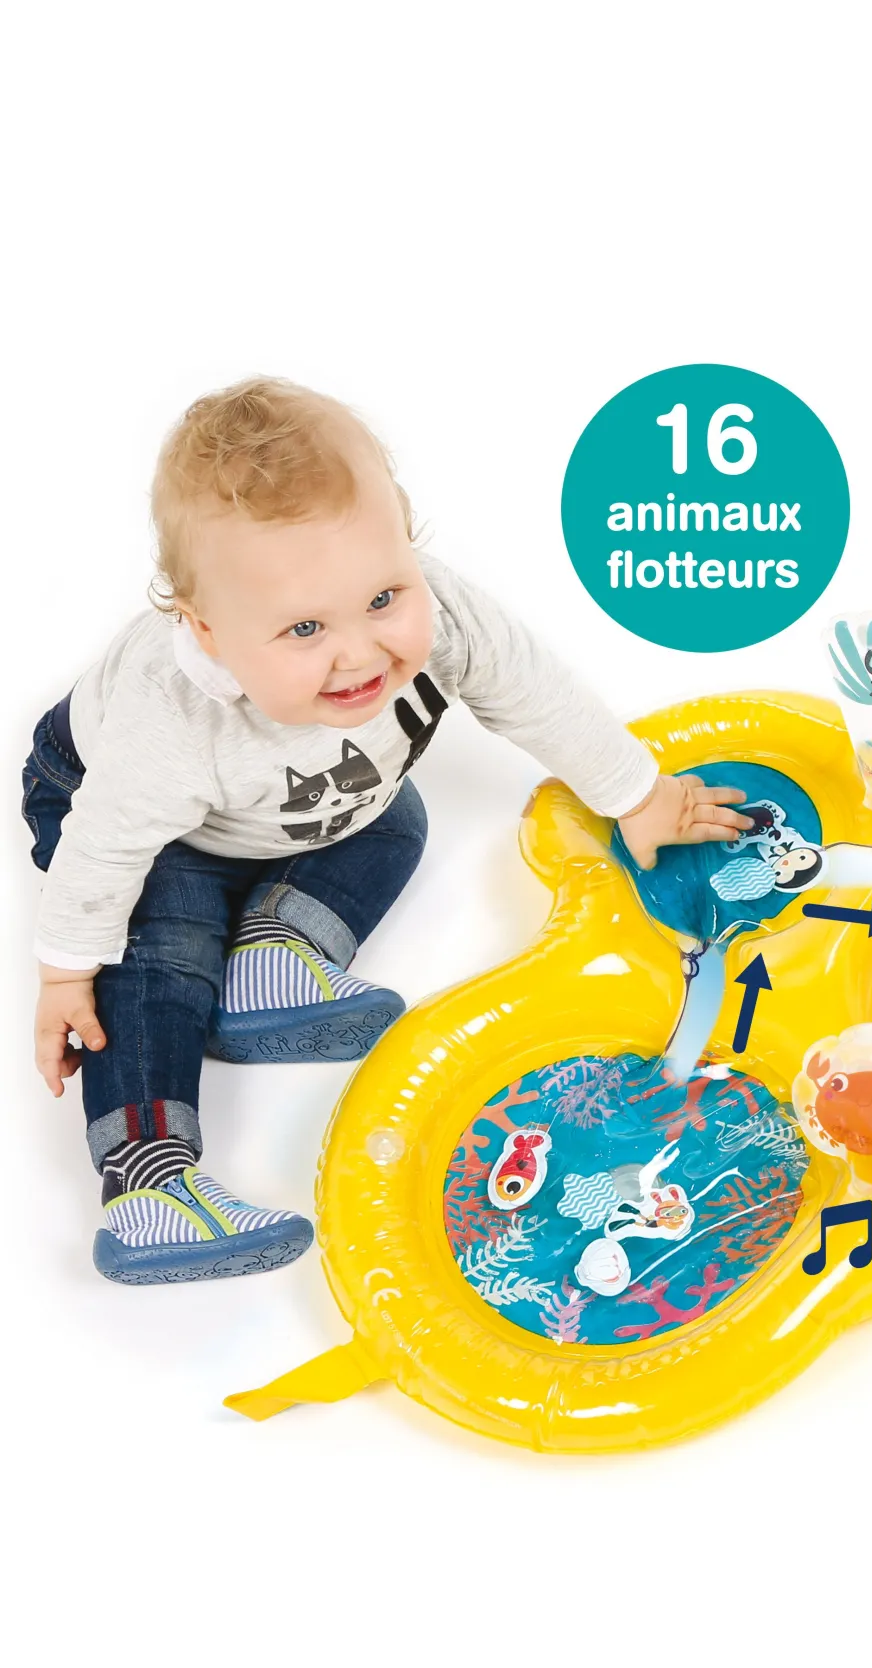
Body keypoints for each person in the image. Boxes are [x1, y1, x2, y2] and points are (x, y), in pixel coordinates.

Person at [22, 377, 749, 1284]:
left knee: (396, 820)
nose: (361, 652)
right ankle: (149, 1184)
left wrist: (634, 795)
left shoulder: (440, 611)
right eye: (304, 628)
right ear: (208, 633)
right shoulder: (169, 724)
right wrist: (65, 972)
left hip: (298, 804)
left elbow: (532, 687)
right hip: (136, 826)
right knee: (162, 949)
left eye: (382, 598)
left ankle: (273, 954)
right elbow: (102, 853)